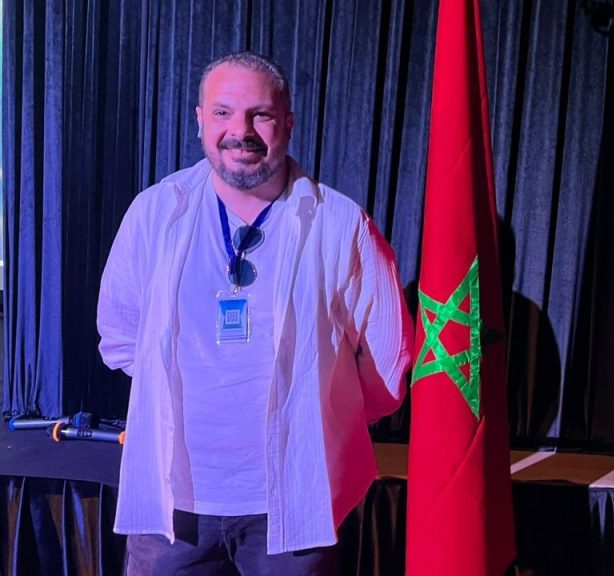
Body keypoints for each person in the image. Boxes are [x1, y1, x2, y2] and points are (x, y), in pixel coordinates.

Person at [97, 51, 412, 575]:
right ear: (200, 120)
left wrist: (319, 417)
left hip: (294, 502)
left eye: (260, 114)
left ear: (288, 121)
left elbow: (386, 363)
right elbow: (121, 337)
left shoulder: (341, 224)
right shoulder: (155, 213)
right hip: (173, 504)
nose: (240, 131)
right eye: (223, 112)